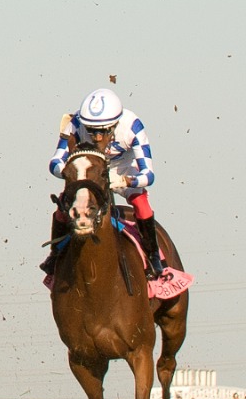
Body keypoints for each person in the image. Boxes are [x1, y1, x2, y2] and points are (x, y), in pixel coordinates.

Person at [41, 87, 165, 279]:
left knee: (142, 204)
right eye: (91, 131)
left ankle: (153, 257)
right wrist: (69, 172)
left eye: (103, 131)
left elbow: (149, 175)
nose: (97, 137)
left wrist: (125, 180)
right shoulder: (74, 124)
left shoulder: (133, 126)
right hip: (89, 170)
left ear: (115, 124)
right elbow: (55, 162)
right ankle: (54, 255)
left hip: (123, 169)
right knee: (63, 203)